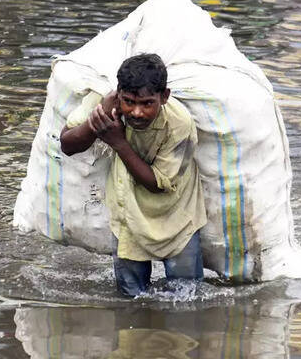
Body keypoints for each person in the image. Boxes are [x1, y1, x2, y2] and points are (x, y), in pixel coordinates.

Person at [59, 53, 207, 298]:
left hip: (176, 217)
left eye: (147, 104)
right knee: (131, 300)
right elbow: (67, 144)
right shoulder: (105, 104)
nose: (137, 112)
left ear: (164, 97)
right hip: (128, 216)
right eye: (128, 102)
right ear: (118, 94)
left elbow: (157, 184)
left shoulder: (179, 124)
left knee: (186, 297)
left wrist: (118, 142)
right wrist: (98, 122)